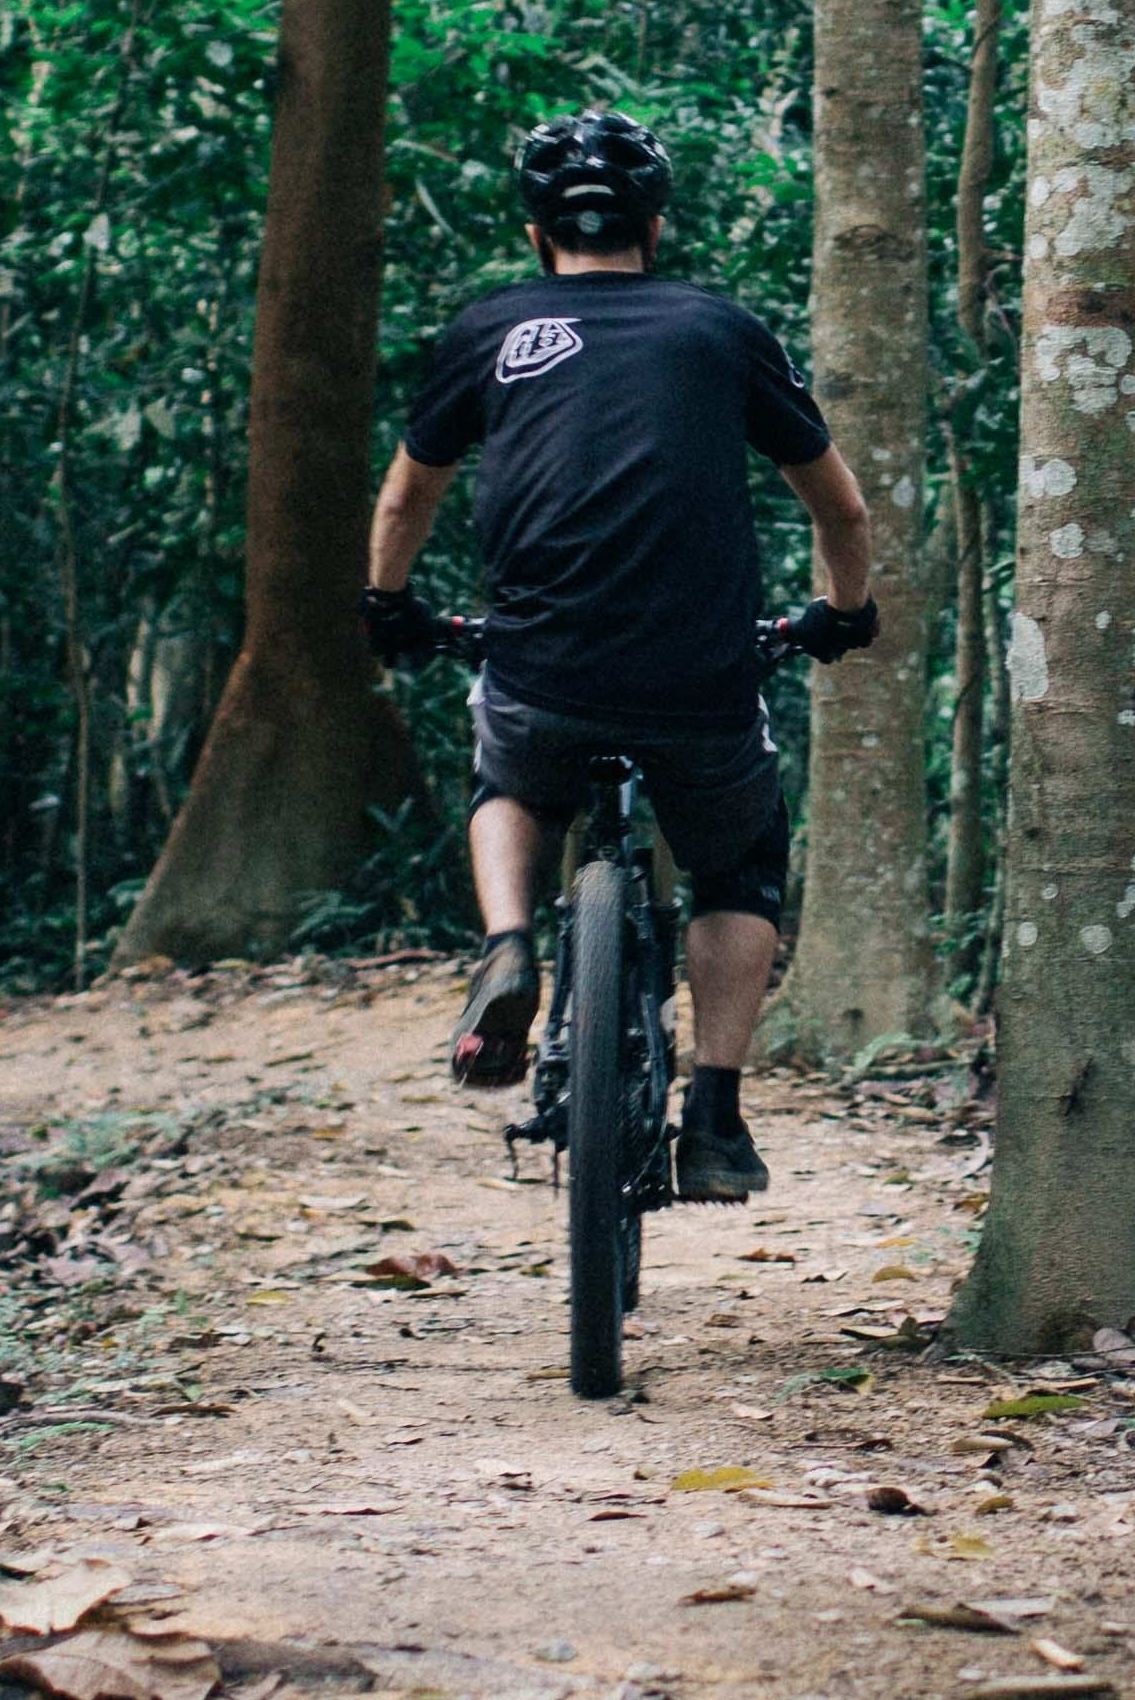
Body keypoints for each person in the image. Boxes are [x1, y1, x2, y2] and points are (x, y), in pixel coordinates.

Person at [359, 111, 874, 1201]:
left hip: (541, 670)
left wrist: (389, 604)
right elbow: (842, 510)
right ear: (653, 225)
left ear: (539, 237)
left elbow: (408, 494)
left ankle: (507, 944)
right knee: (736, 867)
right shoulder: (719, 331)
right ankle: (719, 1118)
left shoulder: (487, 330)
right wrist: (841, 613)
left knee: (507, 772)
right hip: (699, 681)